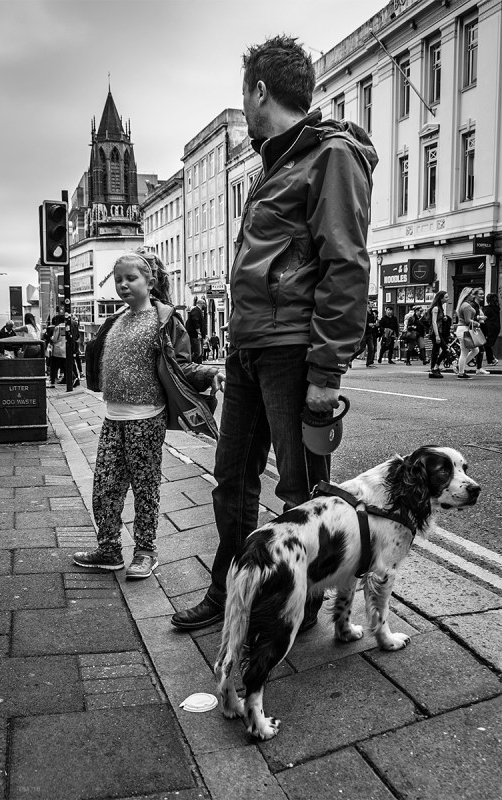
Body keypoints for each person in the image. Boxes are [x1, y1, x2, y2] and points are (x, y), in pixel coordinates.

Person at [171, 35, 377, 631]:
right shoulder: (276, 161)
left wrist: (326, 373)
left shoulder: (329, 155)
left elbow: (345, 264)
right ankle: (230, 589)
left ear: (259, 90)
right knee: (231, 478)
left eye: (244, 91)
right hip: (249, 348)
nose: (245, 100)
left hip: (292, 351)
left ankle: (304, 601)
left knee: (300, 490)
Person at [73, 249, 224, 578]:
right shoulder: (116, 320)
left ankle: (145, 550)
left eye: (131, 278)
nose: (123, 285)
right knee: (105, 487)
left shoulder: (164, 319)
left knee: (144, 487)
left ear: (150, 281)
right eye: (119, 280)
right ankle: (109, 550)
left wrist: (209, 375)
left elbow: (181, 364)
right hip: (113, 418)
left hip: (146, 418)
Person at [455, 286, 482, 380]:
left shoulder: (463, 304)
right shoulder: (466, 306)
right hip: (464, 329)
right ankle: (461, 372)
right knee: (465, 352)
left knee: (475, 350)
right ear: (467, 295)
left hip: (462, 329)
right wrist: (476, 323)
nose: (473, 296)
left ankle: (460, 368)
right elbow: (467, 320)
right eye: (471, 294)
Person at [427, 291, 449, 378]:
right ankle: (435, 367)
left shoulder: (440, 308)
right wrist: (437, 335)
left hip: (439, 332)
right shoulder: (436, 308)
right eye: (446, 297)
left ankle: (433, 370)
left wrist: (443, 318)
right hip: (436, 332)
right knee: (446, 350)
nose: (447, 299)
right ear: (441, 298)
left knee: (435, 351)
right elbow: (434, 322)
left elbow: (438, 320)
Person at [350, 300, 377, 367]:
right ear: (367, 305)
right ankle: (350, 358)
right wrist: (368, 324)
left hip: (370, 333)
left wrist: (374, 324)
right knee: (362, 348)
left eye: (373, 304)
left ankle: (369, 363)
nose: (372, 305)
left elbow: (373, 322)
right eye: (371, 304)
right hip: (364, 333)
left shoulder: (372, 313)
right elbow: (361, 322)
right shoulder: (364, 313)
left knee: (372, 348)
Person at [185, 299, 206, 363]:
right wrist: (199, 333)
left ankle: (198, 365)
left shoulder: (197, 311)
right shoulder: (196, 311)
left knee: (200, 354)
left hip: (197, 335)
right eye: (204, 304)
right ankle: (190, 363)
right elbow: (195, 321)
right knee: (198, 353)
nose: (205, 306)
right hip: (195, 335)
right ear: (201, 304)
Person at [483, 293, 500, 366]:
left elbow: (484, 317)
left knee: (487, 344)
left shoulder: (487, 309)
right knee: (488, 344)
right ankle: (491, 359)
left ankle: (491, 360)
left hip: (489, 327)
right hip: (496, 327)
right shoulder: (497, 308)